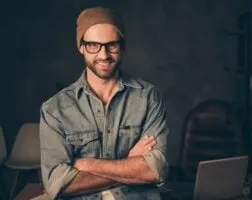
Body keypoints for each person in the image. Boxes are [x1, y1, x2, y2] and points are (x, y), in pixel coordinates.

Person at [38, 6, 169, 200]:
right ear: (81, 47)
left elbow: (155, 170)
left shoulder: (149, 98)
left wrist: (86, 164)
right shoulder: (54, 109)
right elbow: (57, 183)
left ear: (122, 46)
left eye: (112, 45)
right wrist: (129, 165)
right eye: (93, 45)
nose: (104, 55)